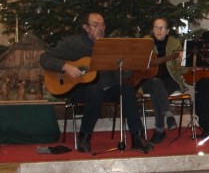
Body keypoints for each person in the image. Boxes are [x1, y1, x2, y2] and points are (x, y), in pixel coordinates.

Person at [39, 12, 153, 153]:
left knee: (127, 90)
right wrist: (66, 67)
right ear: (86, 28)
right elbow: (45, 58)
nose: (101, 29)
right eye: (96, 25)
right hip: (79, 89)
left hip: (108, 88)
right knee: (95, 91)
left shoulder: (109, 46)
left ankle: (137, 137)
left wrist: (128, 66)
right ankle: (84, 137)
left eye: (103, 25)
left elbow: (124, 74)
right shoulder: (73, 44)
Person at [137, 17, 184, 144]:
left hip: (170, 80)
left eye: (162, 28)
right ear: (152, 30)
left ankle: (160, 130)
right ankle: (169, 116)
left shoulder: (174, 43)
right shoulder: (145, 42)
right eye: (156, 27)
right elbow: (138, 63)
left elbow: (183, 71)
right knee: (156, 82)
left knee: (156, 91)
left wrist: (180, 61)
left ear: (167, 31)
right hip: (148, 80)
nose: (159, 30)